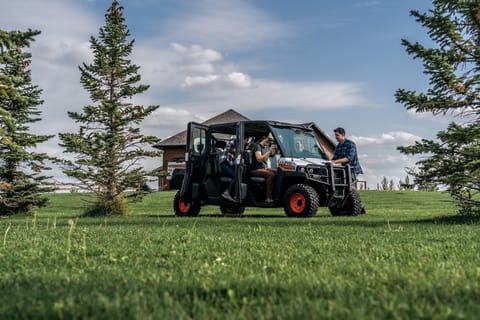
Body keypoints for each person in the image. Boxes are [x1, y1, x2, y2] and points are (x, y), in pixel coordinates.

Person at [249, 134, 277, 203]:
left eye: (270, 141)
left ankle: (275, 194)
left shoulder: (266, 147)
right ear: (263, 138)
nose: (269, 142)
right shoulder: (257, 146)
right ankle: (268, 197)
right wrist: (269, 150)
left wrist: (274, 149)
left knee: (278, 172)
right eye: (268, 140)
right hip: (255, 169)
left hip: (264, 168)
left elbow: (272, 155)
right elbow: (259, 159)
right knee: (271, 175)